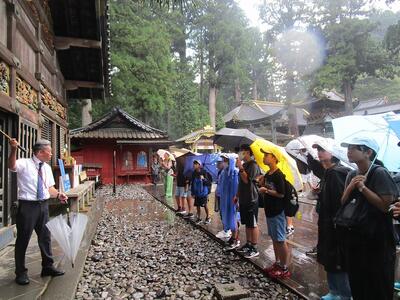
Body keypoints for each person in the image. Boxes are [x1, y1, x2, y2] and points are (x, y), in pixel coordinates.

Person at [339, 136, 397, 300]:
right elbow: (343, 202)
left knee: (377, 283)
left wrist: (362, 187)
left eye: (354, 148)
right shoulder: (351, 174)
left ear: (368, 152)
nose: (348, 151)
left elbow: (385, 206)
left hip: (377, 238)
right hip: (355, 236)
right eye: (348, 147)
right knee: (358, 281)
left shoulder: (379, 173)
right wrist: (351, 186)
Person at [8, 138, 68, 285]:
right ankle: (20, 272)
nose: (52, 153)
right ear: (41, 152)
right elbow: (12, 165)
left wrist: (59, 194)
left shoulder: (46, 168)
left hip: (43, 205)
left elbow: (50, 188)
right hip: (28, 206)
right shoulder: (24, 163)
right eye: (50, 151)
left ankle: (47, 267)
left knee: (45, 237)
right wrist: (14, 149)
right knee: (23, 239)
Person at [311, 142, 351, 300]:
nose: (319, 153)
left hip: (335, 224)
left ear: (333, 153)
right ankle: (334, 291)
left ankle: (344, 294)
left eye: (322, 149)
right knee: (329, 257)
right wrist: (320, 193)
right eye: (318, 150)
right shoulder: (328, 172)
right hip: (327, 222)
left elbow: (340, 200)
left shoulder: (337, 173)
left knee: (337, 259)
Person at [259, 148, 291, 278]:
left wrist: (265, 190)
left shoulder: (278, 175)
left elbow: (281, 193)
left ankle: (284, 267)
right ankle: (277, 263)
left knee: (280, 239)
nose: (264, 157)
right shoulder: (268, 174)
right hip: (270, 210)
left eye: (267, 155)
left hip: (277, 211)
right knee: (274, 238)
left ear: (274, 158)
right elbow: (265, 187)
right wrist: (261, 182)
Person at [236, 144, 261, 259]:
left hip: (251, 198)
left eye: (241, 151)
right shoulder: (245, 165)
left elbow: (247, 181)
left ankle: (254, 247)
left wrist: (240, 167)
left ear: (247, 152)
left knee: (253, 223)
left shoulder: (253, 165)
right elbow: (241, 182)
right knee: (246, 223)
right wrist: (237, 195)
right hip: (243, 198)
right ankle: (248, 243)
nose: (239, 154)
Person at [217, 154, 240, 250]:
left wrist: (237, 199)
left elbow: (237, 187)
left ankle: (235, 238)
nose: (224, 162)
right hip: (225, 199)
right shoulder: (224, 172)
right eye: (224, 160)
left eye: (226, 160)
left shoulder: (235, 172)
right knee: (227, 216)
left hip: (233, 200)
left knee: (234, 218)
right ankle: (232, 237)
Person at [191, 160, 212, 225]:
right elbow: (192, 183)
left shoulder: (204, 172)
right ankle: (199, 218)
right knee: (197, 205)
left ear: (199, 165)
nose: (194, 165)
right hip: (197, 192)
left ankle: (208, 217)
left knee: (205, 205)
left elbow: (208, 183)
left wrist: (203, 179)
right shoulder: (194, 173)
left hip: (203, 192)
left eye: (196, 164)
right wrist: (192, 192)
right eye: (194, 164)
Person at [215, 157, 231, 240]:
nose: (218, 164)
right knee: (222, 213)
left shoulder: (229, 172)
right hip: (220, 195)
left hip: (225, 196)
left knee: (226, 213)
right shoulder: (220, 172)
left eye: (220, 163)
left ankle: (227, 230)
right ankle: (225, 229)